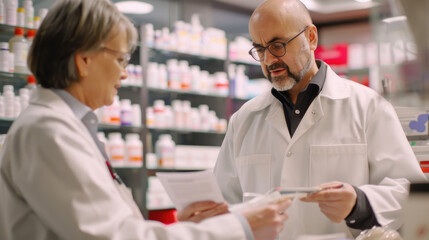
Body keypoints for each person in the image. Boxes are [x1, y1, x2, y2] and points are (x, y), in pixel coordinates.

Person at [0, 0, 292, 239]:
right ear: (83, 59)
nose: (125, 74)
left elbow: (112, 227)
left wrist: (185, 227)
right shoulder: (47, 131)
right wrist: (239, 226)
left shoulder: (64, 126)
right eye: (120, 59)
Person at [178, 0, 428, 239]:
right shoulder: (244, 119)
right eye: (260, 49)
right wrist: (207, 219)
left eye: (278, 45)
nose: (268, 60)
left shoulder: (369, 107)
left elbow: (408, 191)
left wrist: (358, 202)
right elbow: (227, 201)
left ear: (311, 37)